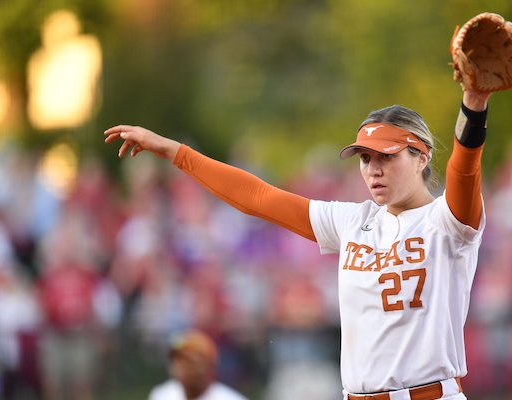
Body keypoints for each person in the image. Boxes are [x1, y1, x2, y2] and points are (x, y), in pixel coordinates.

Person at [106, 72, 492, 399]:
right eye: (365, 158)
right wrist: (176, 153)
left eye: (386, 156)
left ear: (422, 156)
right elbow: (258, 197)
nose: (373, 168)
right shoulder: (351, 221)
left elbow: (464, 170)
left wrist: (473, 106)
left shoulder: (447, 221)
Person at [148, 331, 248, 400]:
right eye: (177, 359)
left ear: (209, 365)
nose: (181, 366)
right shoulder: (162, 395)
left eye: (189, 361)